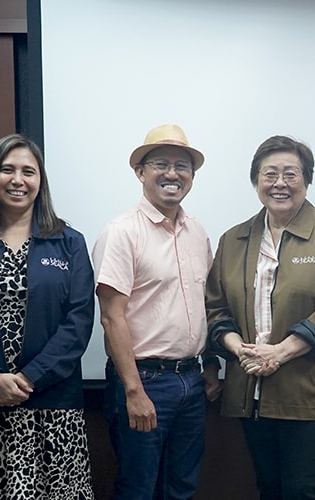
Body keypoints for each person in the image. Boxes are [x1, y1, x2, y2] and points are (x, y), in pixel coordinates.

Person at [0, 133, 95, 498]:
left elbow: (79, 319)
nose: (18, 180)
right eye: (7, 170)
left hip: (54, 408)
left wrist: (29, 378)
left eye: (29, 171)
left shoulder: (69, 242)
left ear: (41, 181)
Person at [205, 135, 315, 500]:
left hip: (308, 394)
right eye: (269, 173)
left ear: (307, 179)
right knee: (267, 489)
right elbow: (215, 307)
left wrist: (281, 352)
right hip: (249, 394)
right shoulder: (234, 239)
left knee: (301, 491)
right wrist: (235, 347)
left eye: (291, 174)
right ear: (256, 180)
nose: (279, 183)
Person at [93, 124, 221, 499]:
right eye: (161, 164)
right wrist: (133, 390)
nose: (172, 173)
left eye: (182, 166)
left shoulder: (197, 232)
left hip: (192, 382)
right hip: (144, 381)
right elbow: (111, 317)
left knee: (182, 487)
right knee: (139, 488)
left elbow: (205, 306)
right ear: (140, 172)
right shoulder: (121, 232)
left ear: (192, 176)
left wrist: (210, 365)